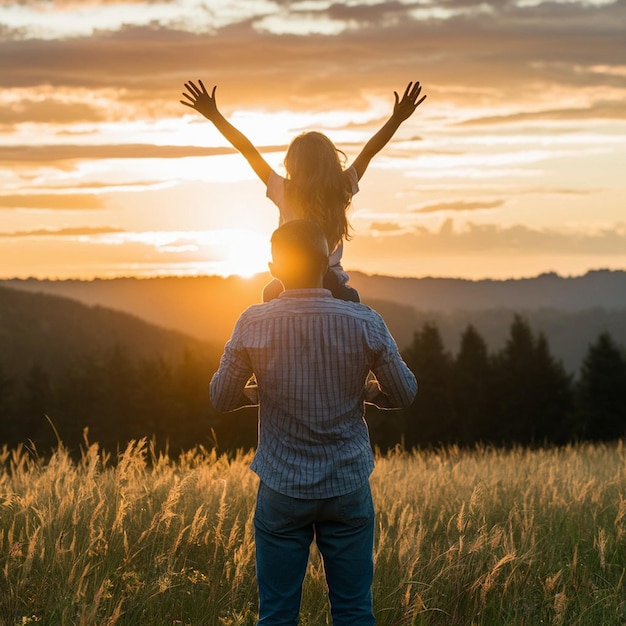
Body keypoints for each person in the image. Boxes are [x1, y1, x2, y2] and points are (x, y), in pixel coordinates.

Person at [209, 220, 417, 625]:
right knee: (355, 611)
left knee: (277, 615)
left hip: (282, 486)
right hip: (347, 483)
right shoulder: (365, 321)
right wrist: (368, 393)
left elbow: (220, 397)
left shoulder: (253, 322)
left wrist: (257, 393)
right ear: (326, 263)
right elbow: (405, 392)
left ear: (273, 267)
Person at [180, 79, 427, 302]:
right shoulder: (341, 187)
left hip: (291, 278)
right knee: (351, 304)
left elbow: (247, 150)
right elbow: (370, 151)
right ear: (330, 160)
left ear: (293, 163)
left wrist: (215, 116)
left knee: (270, 297)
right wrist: (396, 119)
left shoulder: (284, 189)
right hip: (331, 281)